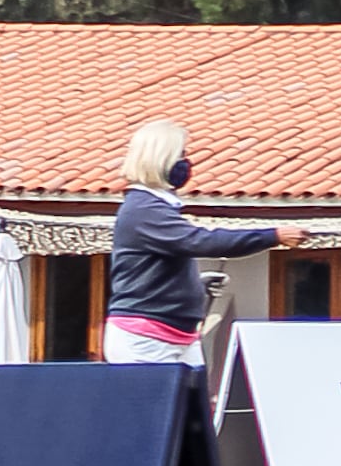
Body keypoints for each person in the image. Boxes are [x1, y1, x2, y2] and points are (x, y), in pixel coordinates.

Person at [106, 118, 307, 365]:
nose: (186, 162)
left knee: (195, 404)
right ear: (161, 159)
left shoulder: (158, 207)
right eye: (180, 155)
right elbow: (201, 242)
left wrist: (194, 286)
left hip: (179, 336)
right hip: (146, 338)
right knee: (159, 404)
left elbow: (158, 266)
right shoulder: (144, 210)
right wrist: (272, 236)